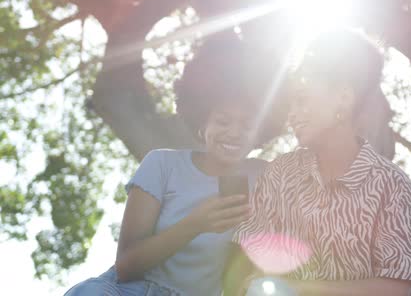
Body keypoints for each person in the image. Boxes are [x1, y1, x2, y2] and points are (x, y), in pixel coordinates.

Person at [64, 33, 286, 296]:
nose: (234, 133)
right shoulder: (161, 164)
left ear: (261, 134)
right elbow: (126, 266)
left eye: (247, 126)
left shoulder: (266, 175)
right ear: (203, 124)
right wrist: (195, 224)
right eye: (223, 122)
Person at [224, 29, 411, 296]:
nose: (292, 116)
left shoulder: (392, 184)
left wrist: (299, 288)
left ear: (343, 97)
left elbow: (394, 290)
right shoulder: (279, 174)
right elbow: (247, 265)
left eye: (302, 100)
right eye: (290, 105)